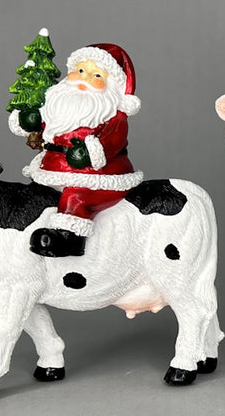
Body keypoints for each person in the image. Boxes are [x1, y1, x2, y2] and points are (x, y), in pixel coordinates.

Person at [9, 43, 143, 257]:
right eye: (80, 70)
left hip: (98, 177)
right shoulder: (59, 106)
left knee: (76, 198)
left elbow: (111, 141)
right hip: (55, 170)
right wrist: (30, 121)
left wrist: (90, 152)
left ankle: (69, 239)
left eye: (96, 75)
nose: (84, 79)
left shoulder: (112, 117)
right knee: (38, 193)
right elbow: (45, 126)